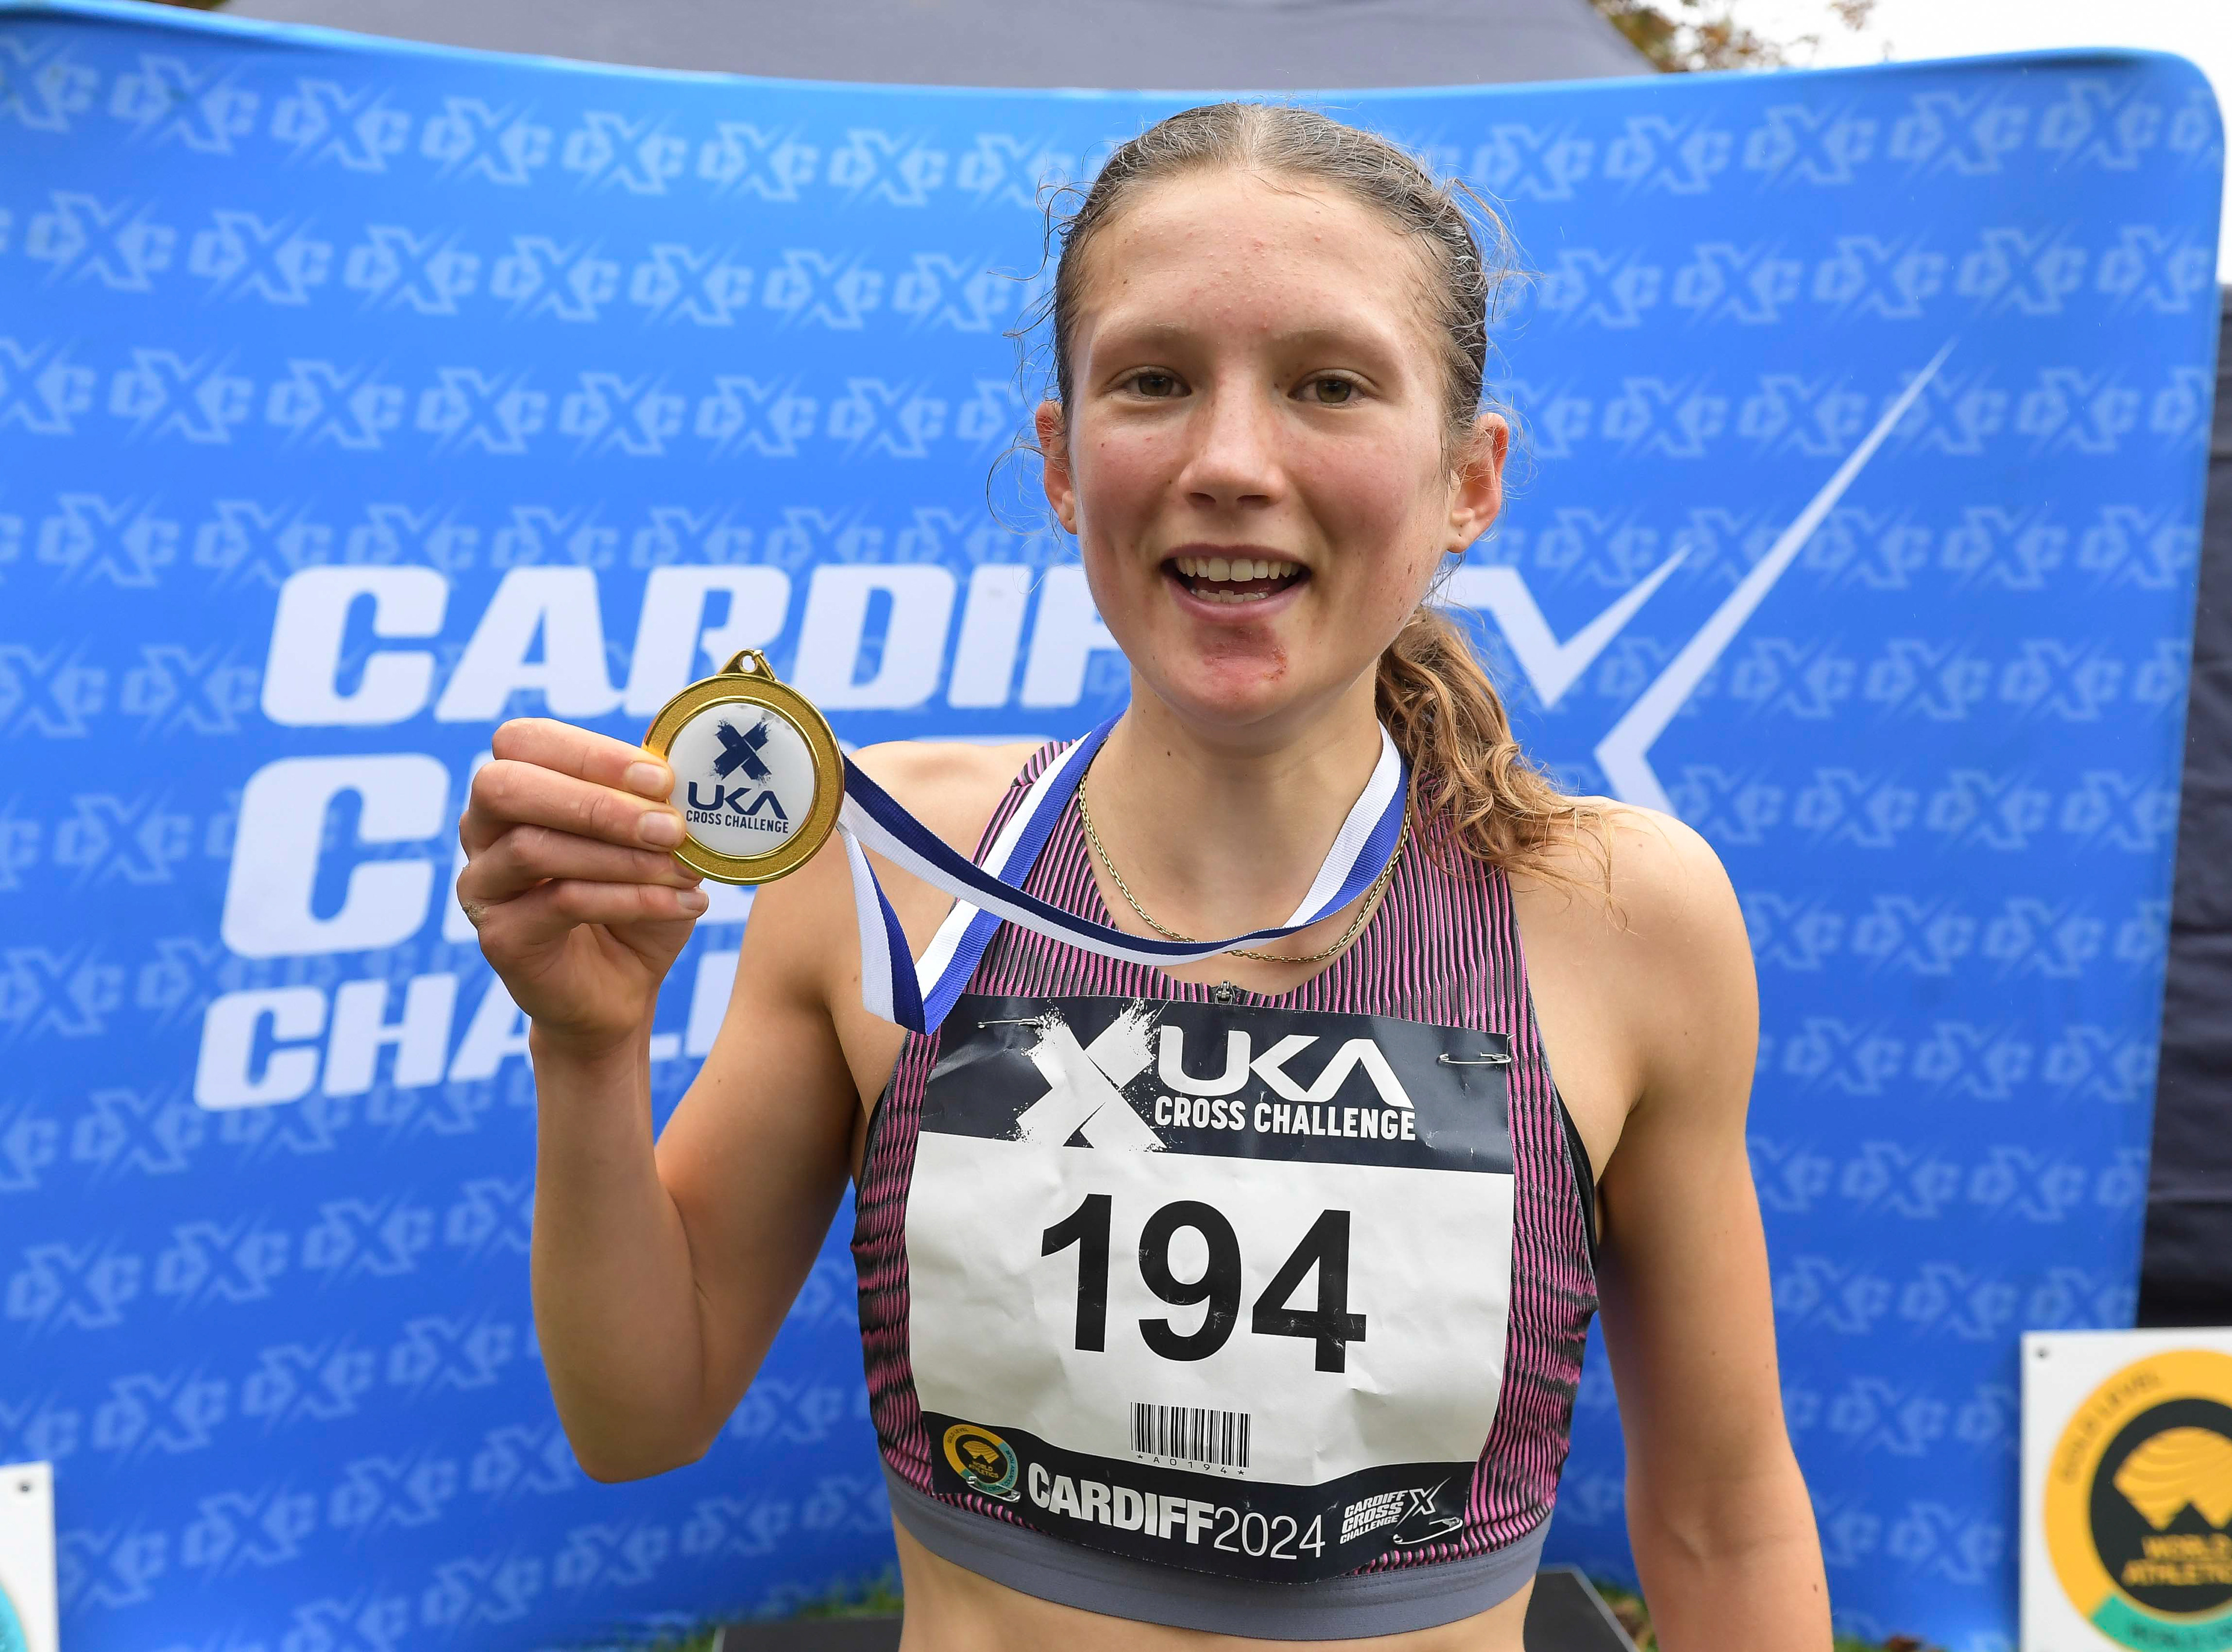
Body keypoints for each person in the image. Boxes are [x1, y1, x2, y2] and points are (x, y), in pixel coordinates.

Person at [457, 102, 1831, 1651]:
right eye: (1155, 380)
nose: (1231, 460)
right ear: (1060, 459)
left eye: (1329, 383)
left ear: (1468, 478)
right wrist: (586, 1051)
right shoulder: (896, 867)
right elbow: (639, 1416)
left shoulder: (1625, 917)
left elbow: (1725, 1517)